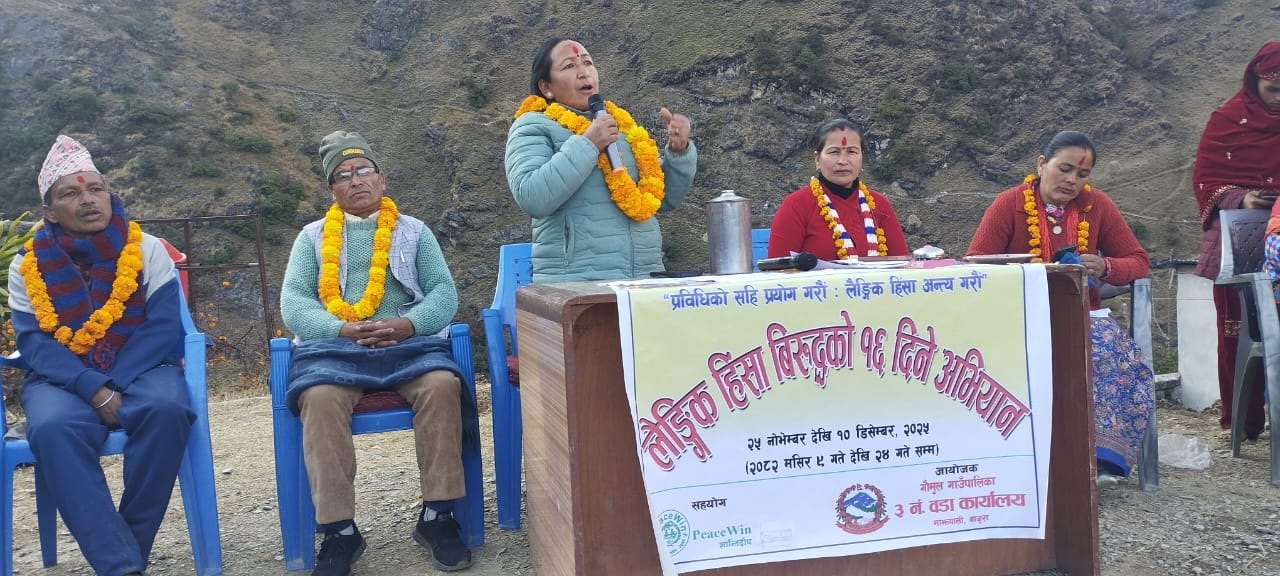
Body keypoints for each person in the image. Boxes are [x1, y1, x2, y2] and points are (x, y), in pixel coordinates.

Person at [279, 131, 476, 575]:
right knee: (320, 397)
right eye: (343, 176)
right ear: (333, 190)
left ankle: (438, 517)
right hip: (337, 349)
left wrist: (407, 324)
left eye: (363, 170)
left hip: (408, 345)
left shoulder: (415, 232)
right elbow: (294, 302)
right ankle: (339, 532)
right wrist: (340, 329)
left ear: (381, 178)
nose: (356, 180)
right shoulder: (311, 238)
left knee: (443, 385)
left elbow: (443, 292)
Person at [6, 135, 194, 576]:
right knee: (52, 428)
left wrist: (115, 385)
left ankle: (123, 554)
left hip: (144, 367)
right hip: (62, 379)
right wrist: (95, 390)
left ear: (110, 194)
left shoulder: (147, 249)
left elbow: (162, 327)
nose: (88, 200)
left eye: (95, 188)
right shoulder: (26, 265)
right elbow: (36, 344)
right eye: (70, 193)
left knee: (166, 409)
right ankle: (123, 567)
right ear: (49, 212)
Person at [967, 130, 1154, 488]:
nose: (1072, 180)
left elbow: (1139, 261)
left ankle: (1098, 460)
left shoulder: (1097, 205)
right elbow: (977, 262)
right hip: (1018, 317)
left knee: (1114, 357)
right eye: (1064, 169)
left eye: (1082, 175)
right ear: (1041, 164)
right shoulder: (1011, 204)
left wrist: (1105, 267)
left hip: (1085, 317)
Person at [505, 36, 698, 282]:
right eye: (569, 66)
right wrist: (588, 144)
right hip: (577, 285)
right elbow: (532, 197)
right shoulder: (532, 125)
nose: (583, 72)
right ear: (546, 87)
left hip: (644, 281)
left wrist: (678, 152)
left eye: (587, 63)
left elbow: (662, 199)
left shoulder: (620, 127)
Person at [1196, 41, 1280, 441]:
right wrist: (1243, 198)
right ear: (1254, 83)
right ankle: (1242, 424)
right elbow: (1207, 182)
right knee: (1237, 333)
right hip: (1239, 242)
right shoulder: (1227, 120)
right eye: (1272, 90)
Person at [767, 119, 909, 260]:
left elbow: (902, 265)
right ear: (817, 160)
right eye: (834, 152)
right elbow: (777, 270)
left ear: (862, 158)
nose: (843, 160)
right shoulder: (796, 205)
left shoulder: (879, 205)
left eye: (852, 152)